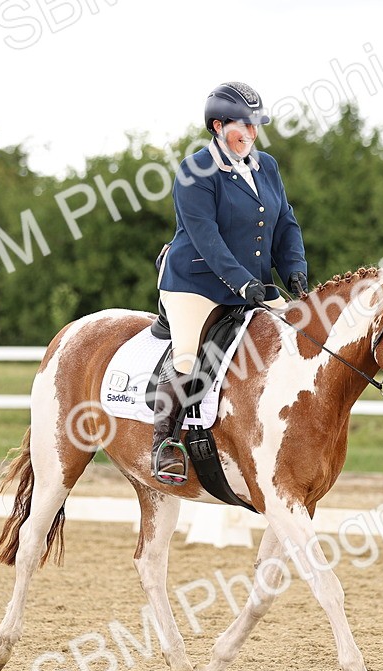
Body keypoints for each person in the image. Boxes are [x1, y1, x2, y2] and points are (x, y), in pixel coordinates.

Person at [151, 81, 310, 485]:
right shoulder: (195, 171)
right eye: (245, 126)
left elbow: (284, 224)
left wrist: (293, 268)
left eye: (257, 127)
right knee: (188, 358)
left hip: (252, 285)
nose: (252, 135)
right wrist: (242, 285)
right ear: (218, 126)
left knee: (298, 341)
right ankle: (166, 444)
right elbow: (207, 236)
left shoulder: (266, 166)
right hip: (196, 284)